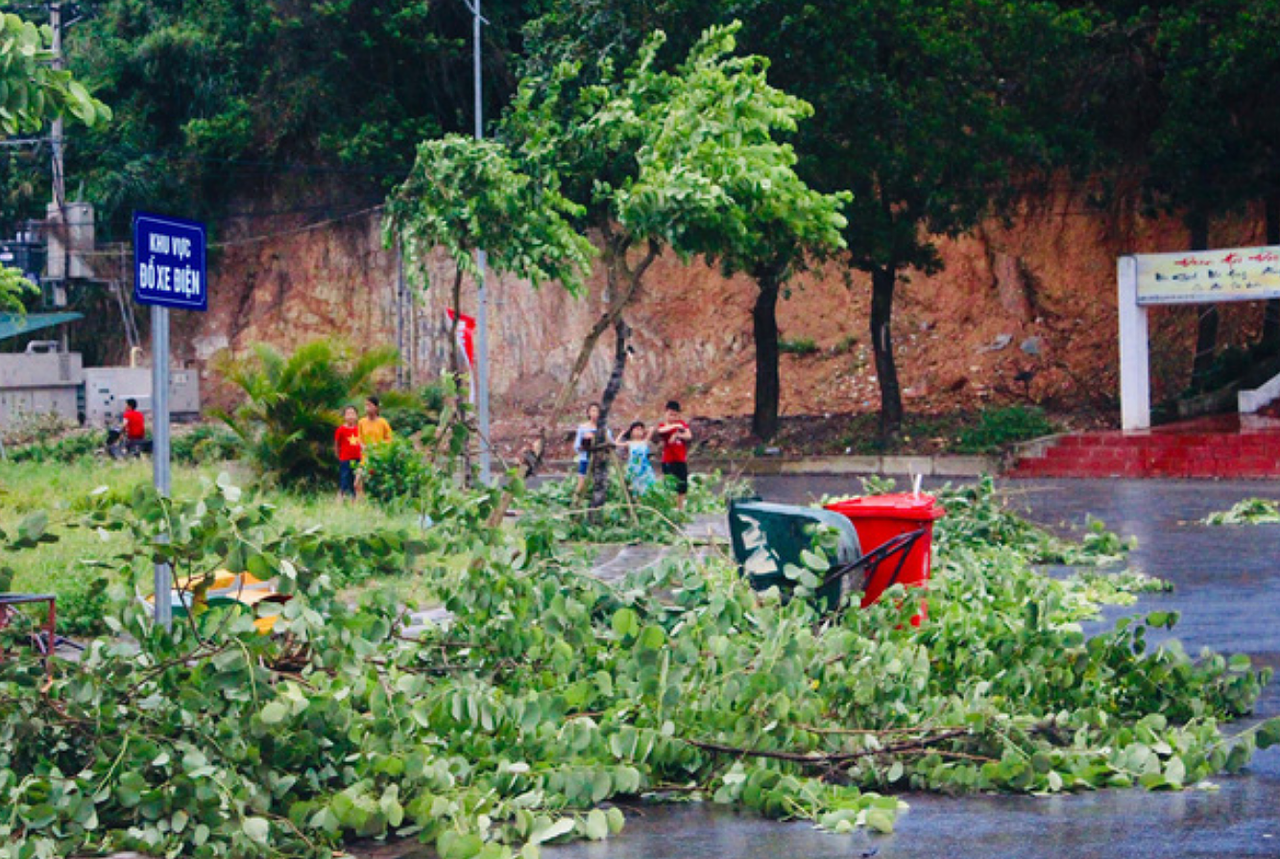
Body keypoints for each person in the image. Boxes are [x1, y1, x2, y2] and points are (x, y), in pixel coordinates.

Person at [652, 400, 693, 509]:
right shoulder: (663, 425)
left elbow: (688, 435)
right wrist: (675, 428)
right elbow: (661, 431)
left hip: (680, 459)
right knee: (670, 485)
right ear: (666, 413)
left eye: (675, 415)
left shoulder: (682, 424)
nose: (673, 417)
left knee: (682, 485)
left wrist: (677, 434)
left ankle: (680, 508)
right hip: (668, 460)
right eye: (671, 414)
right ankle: (670, 507)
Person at [356, 395, 393, 499]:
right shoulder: (361, 422)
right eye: (366, 405)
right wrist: (362, 446)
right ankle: (361, 503)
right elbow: (359, 438)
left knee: (378, 484)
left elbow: (390, 439)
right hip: (365, 458)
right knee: (357, 482)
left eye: (369, 405)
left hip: (378, 457)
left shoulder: (383, 422)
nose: (367, 407)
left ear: (376, 407)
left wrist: (379, 445)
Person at [573, 403, 612, 494]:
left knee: (599, 482)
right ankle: (576, 500)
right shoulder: (583, 428)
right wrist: (585, 442)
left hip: (599, 459)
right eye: (592, 410)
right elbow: (577, 445)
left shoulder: (604, 428)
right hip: (585, 458)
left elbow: (610, 442)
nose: (595, 413)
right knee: (581, 482)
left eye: (597, 411)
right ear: (588, 413)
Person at [617, 420, 656, 496]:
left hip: (644, 469)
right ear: (632, 432)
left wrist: (646, 430)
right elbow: (616, 443)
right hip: (633, 468)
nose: (639, 431)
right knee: (634, 489)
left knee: (646, 489)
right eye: (636, 429)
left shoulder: (645, 441)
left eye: (640, 429)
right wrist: (621, 434)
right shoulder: (629, 443)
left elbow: (652, 429)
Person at [334, 406, 362, 502]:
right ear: (344, 416)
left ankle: (354, 500)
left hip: (357, 459)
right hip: (345, 459)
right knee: (344, 478)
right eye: (348, 414)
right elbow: (337, 444)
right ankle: (340, 498)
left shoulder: (359, 429)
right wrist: (339, 456)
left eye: (353, 414)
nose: (350, 416)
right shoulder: (341, 430)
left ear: (357, 416)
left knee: (354, 479)